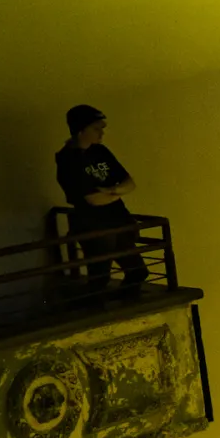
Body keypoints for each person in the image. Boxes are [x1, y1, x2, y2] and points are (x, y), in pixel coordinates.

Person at [54, 103, 144, 298]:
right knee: (100, 277)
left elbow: (130, 183)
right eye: (96, 129)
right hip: (93, 224)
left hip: (117, 220)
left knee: (137, 271)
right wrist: (118, 192)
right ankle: (99, 306)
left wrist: (111, 191)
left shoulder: (100, 151)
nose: (101, 133)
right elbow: (93, 200)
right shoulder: (68, 159)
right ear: (80, 130)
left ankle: (121, 304)